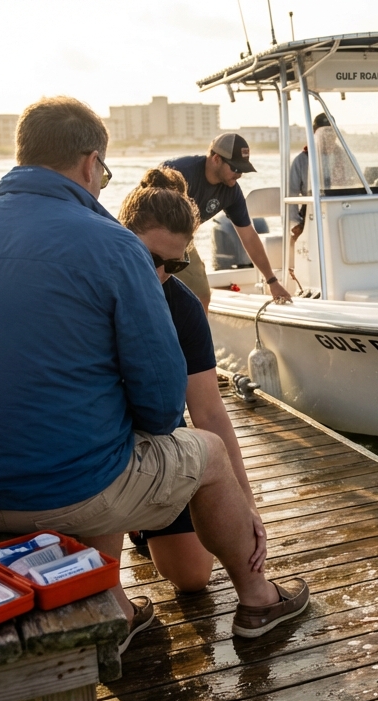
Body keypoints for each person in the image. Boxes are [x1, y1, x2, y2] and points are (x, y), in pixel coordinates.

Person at [0, 96, 309, 648]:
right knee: (206, 453)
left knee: (94, 442)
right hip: (72, 490)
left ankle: (117, 607)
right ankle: (259, 599)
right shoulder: (116, 248)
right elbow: (160, 403)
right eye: (102, 171)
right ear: (90, 163)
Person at [116, 167, 258, 592]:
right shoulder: (91, 292)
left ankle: (142, 524)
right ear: (122, 238)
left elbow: (210, 411)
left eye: (174, 263)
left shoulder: (183, 307)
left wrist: (246, 501)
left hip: (159, 435)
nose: (160, 274)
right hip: (100, 435)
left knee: (193, 577)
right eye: (150, 259)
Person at [163, 133, 293, 310]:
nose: (239, 175)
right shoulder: (179, 172)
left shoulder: (232, 192)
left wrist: (272, 281)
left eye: (243, 170)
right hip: (150, 236)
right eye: (235, 168)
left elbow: (249, 236)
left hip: (182, 241)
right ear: (216, 159)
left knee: (201, 294)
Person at [287, 113, 333, 250]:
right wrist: (296, 224)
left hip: (339, 211)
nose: (329, 135)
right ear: (314, 132)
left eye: (331, 131)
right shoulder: (301, 160)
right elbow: (291, 194)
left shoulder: (344, 158)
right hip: (311, 215)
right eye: (324, 131)